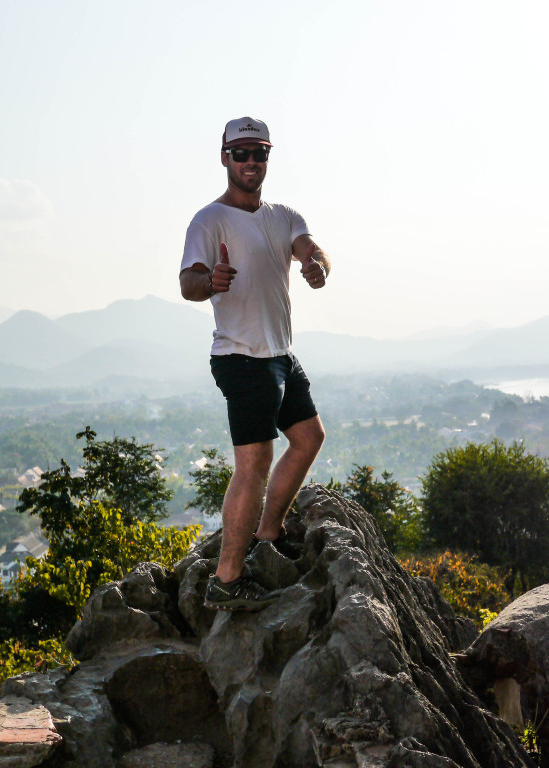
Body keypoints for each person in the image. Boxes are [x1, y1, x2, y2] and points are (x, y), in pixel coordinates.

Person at [179, 117, 331, 611]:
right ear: (224, 157)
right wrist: (211, 283)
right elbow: (188, 283)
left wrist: (316, 266)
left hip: (280, 355)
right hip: (241, 359)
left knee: (309, 437)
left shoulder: (284, 216)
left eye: (259, 152)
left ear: (269, 157)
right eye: (241, 153)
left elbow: (313, 250)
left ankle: (267, 533)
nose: (250, 162)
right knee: (253, 465)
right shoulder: (209, 220)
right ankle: (226, 580)